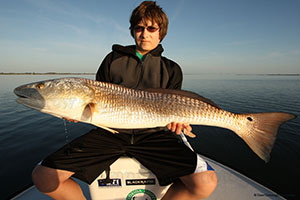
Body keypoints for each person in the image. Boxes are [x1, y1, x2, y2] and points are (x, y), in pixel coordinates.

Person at [32, 1, 217, 199]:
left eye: (151, 28)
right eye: (139, 28)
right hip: (111, 134)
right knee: (44, 177)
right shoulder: (113, 59)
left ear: (160, 32)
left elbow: (174, 106)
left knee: (205, 183)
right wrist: (74, 111)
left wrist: (177, 123)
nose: (144, 34)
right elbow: (95, 97)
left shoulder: (172, 69)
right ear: (132, 31)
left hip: (154, 135)